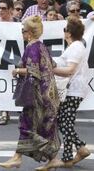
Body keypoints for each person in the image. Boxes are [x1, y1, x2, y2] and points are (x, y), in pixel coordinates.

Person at [0, 16, 60, 170]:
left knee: (29, 124)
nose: (22, 33)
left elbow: (34, 71)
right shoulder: (42, 46)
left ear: (29, 33)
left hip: (38, 94)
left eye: (23, 30)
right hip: (49, 93)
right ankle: (20, 157)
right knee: (40, 125)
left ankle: (50, 157)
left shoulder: (32, 47)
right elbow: (52, 65)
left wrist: (18, 70)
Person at [51, 17, 91, 168]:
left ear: (68, 33)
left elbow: (70, 70)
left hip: (74, 89)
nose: (64, 32)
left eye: (65, 29)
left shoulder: (75, 47)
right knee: (66, 121)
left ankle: (81, 148)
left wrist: (51, 69)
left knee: (63, 122)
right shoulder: (75, 46)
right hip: (73, 89)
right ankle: (67, 157)